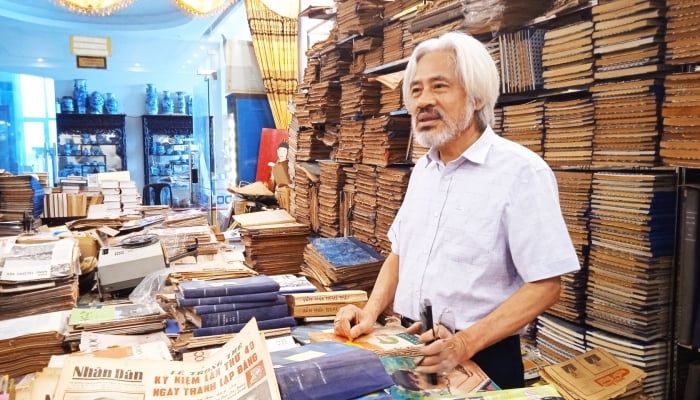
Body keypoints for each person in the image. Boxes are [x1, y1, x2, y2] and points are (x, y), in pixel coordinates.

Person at [334, 31, 580, 389]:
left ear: (477, 96)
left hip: (483, 356)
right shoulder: (423, 170)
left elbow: (545, 284)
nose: (423, 101)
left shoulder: (521, 171)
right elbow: (401, 254)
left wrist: (463, 344)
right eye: (415, 90)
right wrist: (370, 312)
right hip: (412, 345)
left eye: (439, 87)